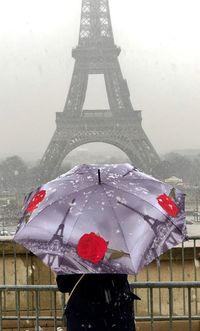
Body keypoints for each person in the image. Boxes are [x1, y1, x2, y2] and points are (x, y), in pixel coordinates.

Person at [56, 273, 140, 331]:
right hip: (115, 316)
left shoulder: (74, 255)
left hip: (83, 318)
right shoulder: (113, 253)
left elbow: (63, 285)